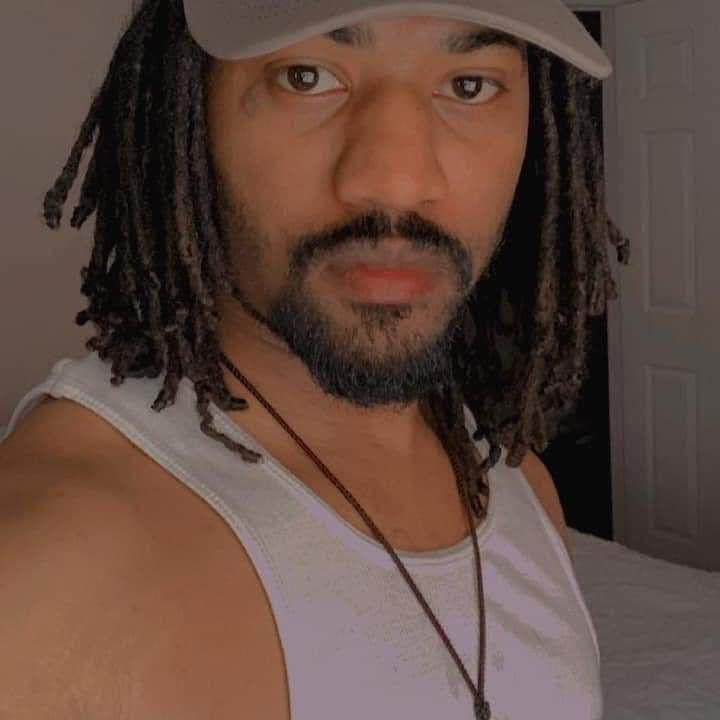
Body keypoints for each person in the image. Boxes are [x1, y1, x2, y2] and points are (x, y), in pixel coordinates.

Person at [0, 0, 631, 718]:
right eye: (306, 76)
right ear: (183, 112)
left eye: (469, 85)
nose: (396, 181)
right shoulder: (42, 576)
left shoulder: (524, 490)